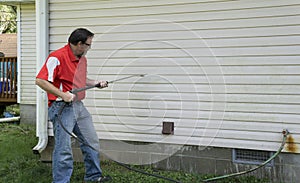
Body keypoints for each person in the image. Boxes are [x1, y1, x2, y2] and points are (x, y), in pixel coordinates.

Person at [36, 28, 111, 183]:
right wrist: (63, 95)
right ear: (79, 44)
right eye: (88, 45)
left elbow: (80, 80)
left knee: (91, 141)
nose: (89, 48)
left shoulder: (82, 59)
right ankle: (61, 181)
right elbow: (41, 80)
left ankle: (93, 177)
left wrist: (96, 83)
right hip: (62, 108)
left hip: (79, 107)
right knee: (64, 149)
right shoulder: (56, 57)